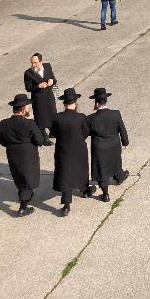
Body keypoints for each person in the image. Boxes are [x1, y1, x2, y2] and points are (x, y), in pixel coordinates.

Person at [0, 94, 45, 217]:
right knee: (27, 179)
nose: (29, 109)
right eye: (28, 107)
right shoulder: (29, 123)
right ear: (23, 108)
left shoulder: (4, 123)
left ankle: (28, 196)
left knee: (19, 177)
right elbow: (40, 140)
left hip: (12, 154)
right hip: (28, 155)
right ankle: (23, 208)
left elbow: (1, 140)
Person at [50, 87, 92, 217]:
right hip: (79, 149)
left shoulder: (57, 118)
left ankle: (66, 205)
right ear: (75, 102)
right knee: (81, 170)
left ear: (64, 103)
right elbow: (86, 132)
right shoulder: (81, 117)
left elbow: (53, 134)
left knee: (65, 174)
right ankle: (85, 190)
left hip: (63, 150)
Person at [86, 87, 130, 202]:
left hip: (99, 148)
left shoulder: (91, 119)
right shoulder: (115, 114)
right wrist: (125, 141)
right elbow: (122, 129)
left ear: (96, 103)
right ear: (106, 100)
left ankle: (105, 195)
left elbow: (85, 133)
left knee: (102, 171)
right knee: (116, 162)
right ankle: (119, 177)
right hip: (114, 145)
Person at [23, 52, 56, 145]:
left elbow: (54, 78)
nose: (34, 65)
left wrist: (52, 81)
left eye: (36, 62)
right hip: (38, 99)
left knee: (52, 114)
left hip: (49, 97)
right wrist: (38, 86)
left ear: (41, 61)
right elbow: (28, 88)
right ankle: (44, 138)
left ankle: (53, 132)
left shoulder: (48, 66)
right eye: (32, 63)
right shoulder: (28, 73)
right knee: (40, 118)